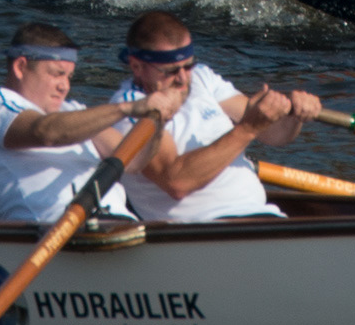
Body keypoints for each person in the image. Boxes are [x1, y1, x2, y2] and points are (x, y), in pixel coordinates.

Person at [109, 12, 323, 224]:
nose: (182, 79)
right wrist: (248, 128)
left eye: (188, 66)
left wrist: (295, 116)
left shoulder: (202, 78)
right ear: (137, 66)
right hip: (203, 229)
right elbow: (177, 181)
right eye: (170, 71)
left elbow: (272, 135)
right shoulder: (130, 109)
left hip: (261, 215)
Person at [0, 19, 178, 223]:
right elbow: (46, 133)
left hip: (118, 224)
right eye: (57, 74)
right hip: (51, 229)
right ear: (21, 67)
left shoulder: (74, 111)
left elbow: (134, 161)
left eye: (69, 77)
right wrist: (127, 108)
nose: (65, 86)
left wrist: (158, 123)